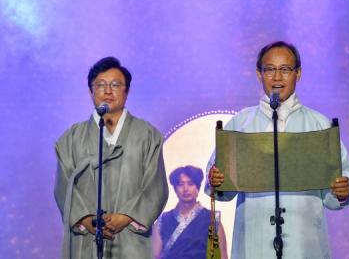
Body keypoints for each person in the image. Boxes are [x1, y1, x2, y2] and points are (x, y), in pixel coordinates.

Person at [207, 41, 349, 259]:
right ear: (259, 74)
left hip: (304, 242)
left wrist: (343, 191)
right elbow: (219, 184)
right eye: (270, 69)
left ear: (298, 74)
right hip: (254, 240)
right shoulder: (240, 124)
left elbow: (342, 185)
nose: (277, 77)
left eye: (285, 69)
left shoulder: (320, 124)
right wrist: (216, 179)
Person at [54, 57, 169, 259]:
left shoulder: (148, 135)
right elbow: (64, 186)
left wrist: (125, 217)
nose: (107, 91)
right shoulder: (71, 139)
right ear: (91, 91)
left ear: (127, 91)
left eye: (115, 85)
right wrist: (87, 219)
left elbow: (155, 186)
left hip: (129, 239)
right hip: (86, 239)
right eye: (100, 85)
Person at [153, 166, 228, 259]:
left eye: (190, 183)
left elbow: (222, 256)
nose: (185, 189)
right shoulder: (162, 220)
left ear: (198, 188)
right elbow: (154, 256)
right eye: (180, 184)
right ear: (175, 189)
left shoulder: (212, 219)